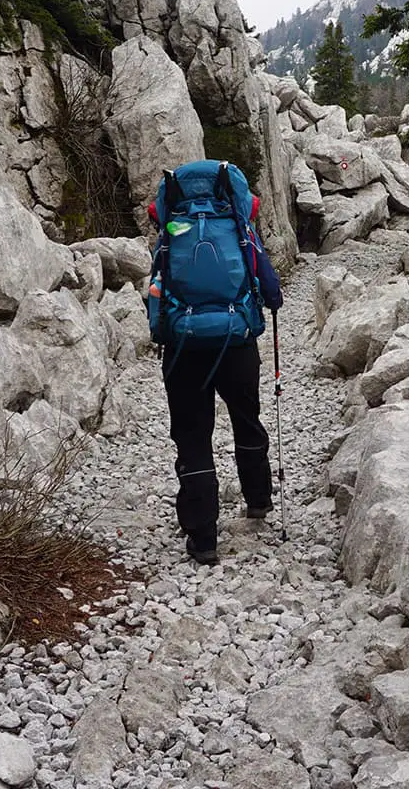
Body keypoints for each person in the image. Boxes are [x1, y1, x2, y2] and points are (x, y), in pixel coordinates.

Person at [144, 161, 284, 565]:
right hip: (235, 342)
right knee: (246, 417)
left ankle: (202, 536)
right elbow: (272, 292)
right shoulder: (239, 230)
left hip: (183, 346)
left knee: (192, 435)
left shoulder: (173, 230)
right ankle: (258, 500)